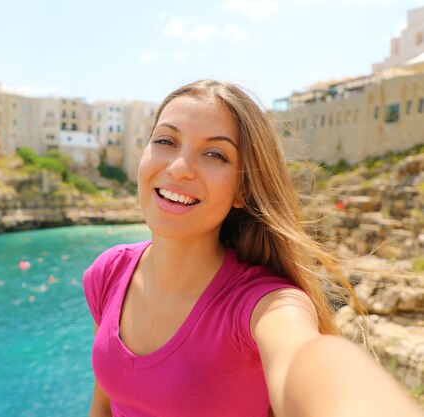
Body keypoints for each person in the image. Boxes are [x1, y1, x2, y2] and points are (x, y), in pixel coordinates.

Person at [82, 80, 422, 417]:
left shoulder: (266, 305)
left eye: (215, 154)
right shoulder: (108, 272)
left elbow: (304, 359)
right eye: (166, 141)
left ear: (242, 190)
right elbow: (104, 404)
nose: (179, 167)